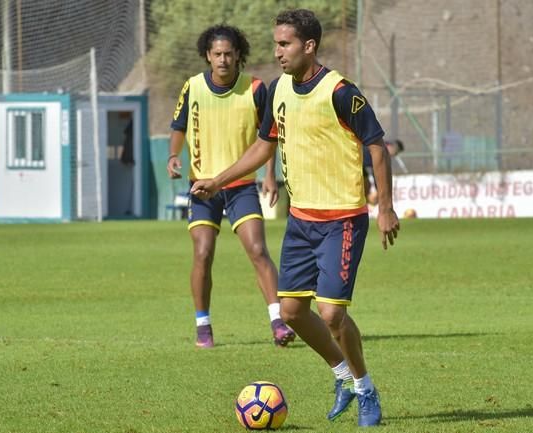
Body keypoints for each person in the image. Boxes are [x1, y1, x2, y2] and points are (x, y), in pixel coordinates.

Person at [191, 9, 400, 427]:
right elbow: (263, 147)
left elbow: (376, 146)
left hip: (341, 218)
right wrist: (218, 179)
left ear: (309, 46)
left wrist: (386, 207)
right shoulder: (279, 89)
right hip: (301, 220)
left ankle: (365, 387)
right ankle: (341, 375)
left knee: (331, 315)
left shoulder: (340, 92)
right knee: (290, 312)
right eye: (276, 44)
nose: (278, 52)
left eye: (285, 44)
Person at [166, 24, 295, 349]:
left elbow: (268, 136)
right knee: (203, 252)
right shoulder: (193, 87)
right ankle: (203, 325)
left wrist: (269, 175)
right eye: (217, 54)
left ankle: (278, 321)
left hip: (241, 186)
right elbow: (179, 126)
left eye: (229, 54)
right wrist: (172, 156)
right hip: (201, 187)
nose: (223, 60)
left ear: (238, 55)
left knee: (257, 250)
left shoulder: (254, 89)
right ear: (208, 56)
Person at [363, 139, 403, 204]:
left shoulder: (380, 145)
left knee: (367, 185)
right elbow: (377, 172)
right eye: (395, 152)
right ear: (390, 146)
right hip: (356, 163)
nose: (394, 155)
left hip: (359, 165)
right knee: (366, 185)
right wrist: (379, 191)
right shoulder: (381, 150)